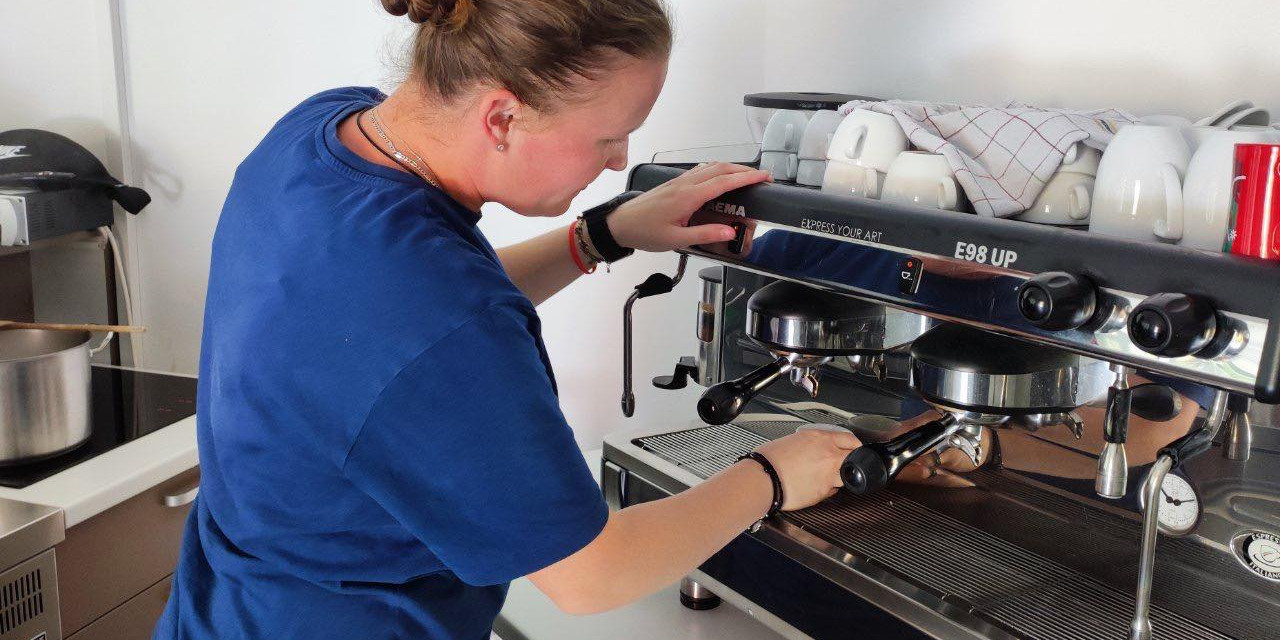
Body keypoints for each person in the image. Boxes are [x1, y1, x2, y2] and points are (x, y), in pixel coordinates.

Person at [153, 1, 859, 638]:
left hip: (224, 610)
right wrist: (769, 475)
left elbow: (385, 334)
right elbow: (589, 575)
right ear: (502, 118)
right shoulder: (434, 314)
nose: (619, 165)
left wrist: (605, 233)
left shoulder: (321, 132)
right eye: (609, 139)